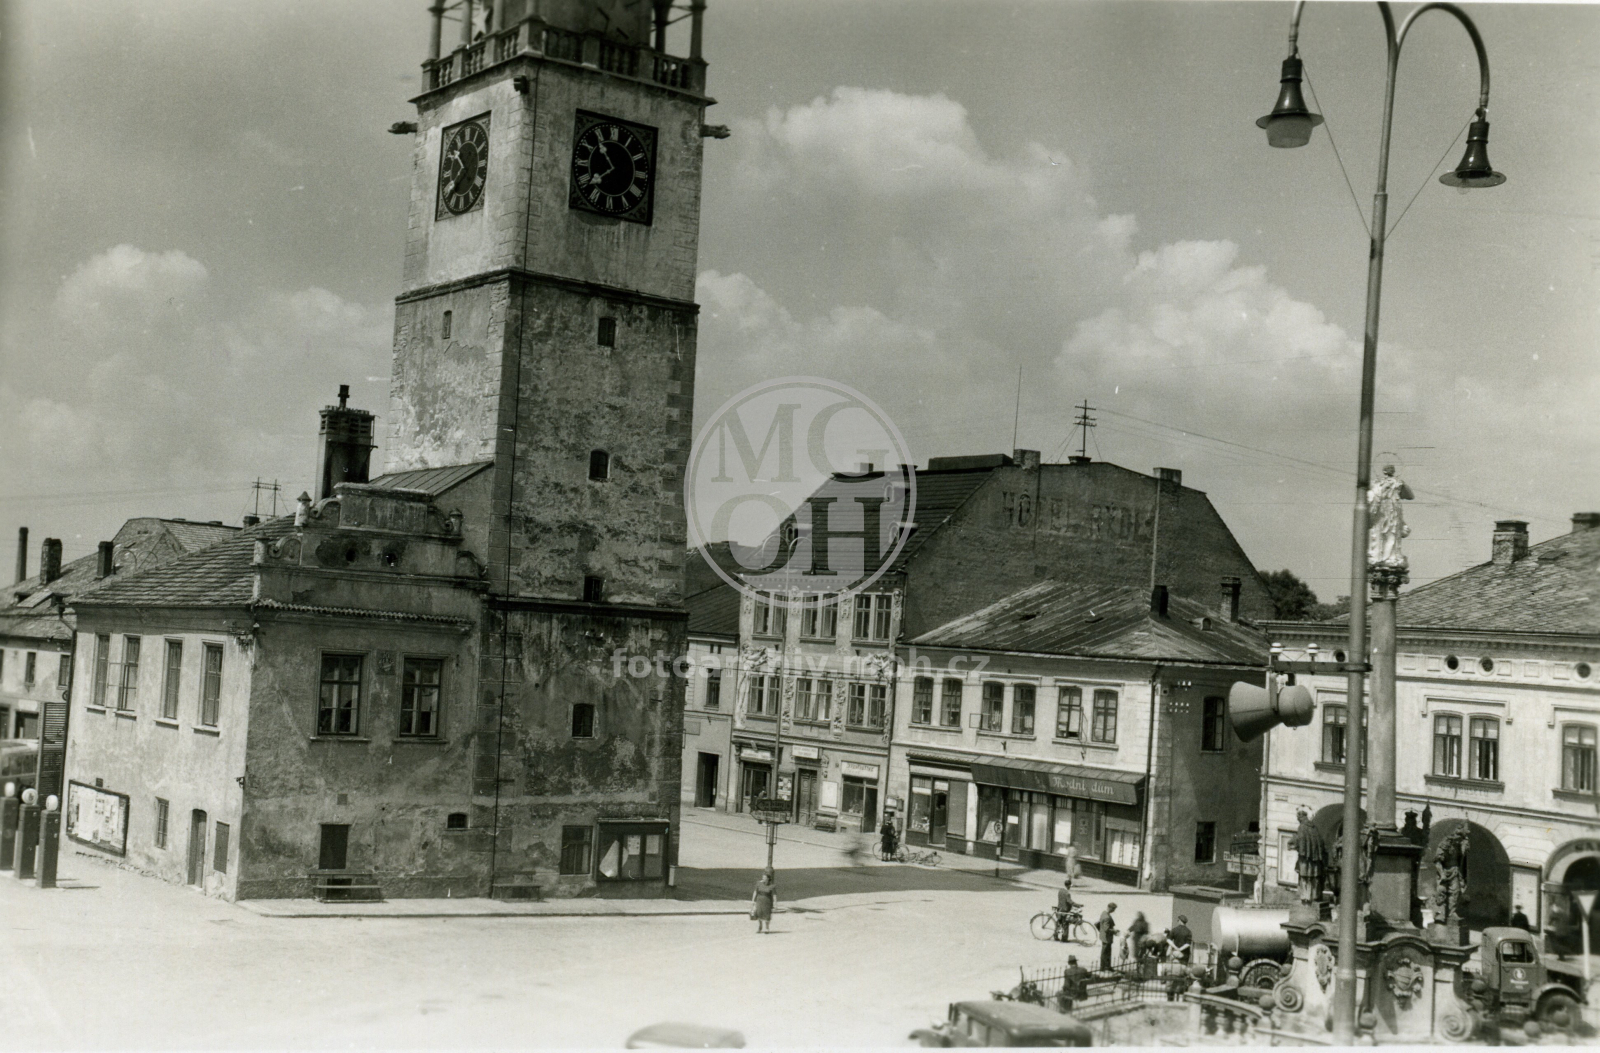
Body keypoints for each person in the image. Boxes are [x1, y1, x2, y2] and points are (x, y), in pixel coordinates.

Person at [751, 867, 776, 934]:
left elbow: (774, 895)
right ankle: (760, 927)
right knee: (759, 913)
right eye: (763, 877)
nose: (763, 878)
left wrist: (775, 904)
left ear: (768, 878)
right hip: (759, 901)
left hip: (767, 902)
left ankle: (767, 928)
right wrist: (753, 900)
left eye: (764, 877)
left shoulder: (772, 886)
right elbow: (755, 892)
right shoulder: (758, 883)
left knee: (767, 915)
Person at [1096, 902, 1118, 971]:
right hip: (1106, 937)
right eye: (1113, 909)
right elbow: (1106, 929)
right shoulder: (1107, 917)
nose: (1114, 911)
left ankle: (1106, 966)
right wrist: (1114, 931)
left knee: (1106, 952)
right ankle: (1104, 967)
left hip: (1104, 936)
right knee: (1106, 952)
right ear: (1110, 908)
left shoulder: (1104, 913)